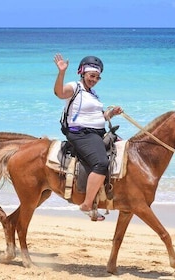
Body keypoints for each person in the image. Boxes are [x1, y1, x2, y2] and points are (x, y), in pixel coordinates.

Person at [53, 53, 123, 221]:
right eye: (92, 76)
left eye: (98, 77)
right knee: (101, 163)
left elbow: (98, 117)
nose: (94, 79)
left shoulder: (93, 93)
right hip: (81, 134)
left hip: (98, 132)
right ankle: (87, 204)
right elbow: (59, 93)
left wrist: (111, 114)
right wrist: (61, 72)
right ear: (82, 73)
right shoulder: (74, 87)